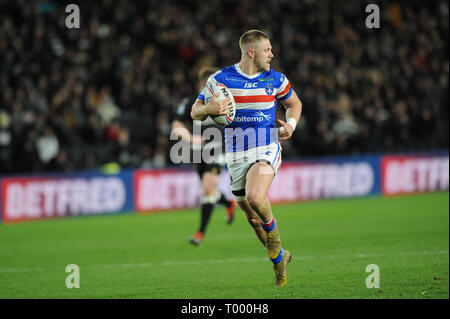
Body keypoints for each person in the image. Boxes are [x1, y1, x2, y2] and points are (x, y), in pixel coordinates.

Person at [191, 30, 302, 286]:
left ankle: (275, 239)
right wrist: (209, 108)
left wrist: (292, 124)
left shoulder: (276, 79)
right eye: (267, 50)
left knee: (255, 196)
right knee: (252, 218)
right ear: (251, 52)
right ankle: (279, 258)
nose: (272, 54)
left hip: (266, 148)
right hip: (236, 154)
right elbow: (195, 111)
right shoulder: (220, 79)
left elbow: (294, 104)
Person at [171, 66, 237, 246]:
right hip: (198, 151)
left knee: (208, 189)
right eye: (205, 83)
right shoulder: (190, 102)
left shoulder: (227, 103)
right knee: (210, 191)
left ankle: (200, 233)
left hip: (218, 147)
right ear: (200, 84)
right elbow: (176, 124)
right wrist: (191, 138)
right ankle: (228, 204)